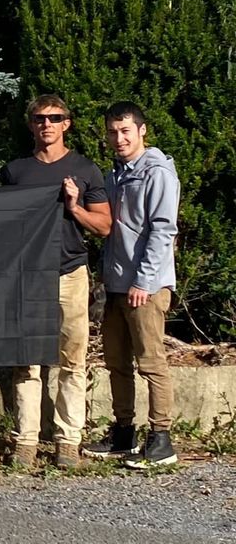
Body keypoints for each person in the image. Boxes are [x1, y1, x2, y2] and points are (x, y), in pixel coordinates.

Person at [2, 94, 111, 470]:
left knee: (72, 361)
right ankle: (26, 442)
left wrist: (75, 206)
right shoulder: (15, 172)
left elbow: (104, 225)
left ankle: (68, 442)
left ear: (67, 123)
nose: (46, 124)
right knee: (27, 362)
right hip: (28, 277)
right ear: (31, 124)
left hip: (70, 274)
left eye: (55, 118)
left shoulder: (86, 169)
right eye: (39, 118)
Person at [84, 101, 180, 470]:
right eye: (112, 132)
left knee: (151, 363)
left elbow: (162, 229)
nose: (119, 138)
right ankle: (124, 432)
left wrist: (144, 280)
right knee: (117, 362)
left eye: (126, 131)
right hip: (116, 285)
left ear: (142, 131)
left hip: (146, 287)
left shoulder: (156, 173)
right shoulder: (117, 174)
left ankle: (162, 439)